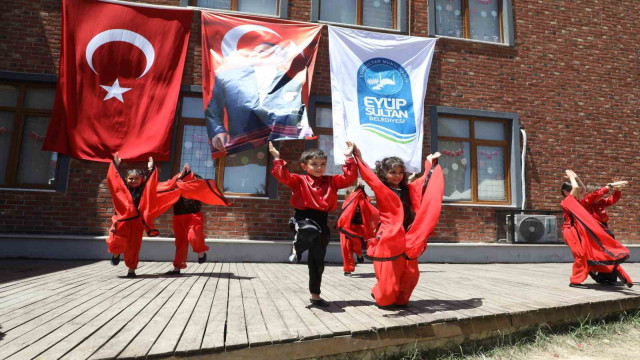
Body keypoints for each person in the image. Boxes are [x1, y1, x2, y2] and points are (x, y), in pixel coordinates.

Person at [352, 144, 444, 307]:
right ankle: (380, 293)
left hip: (407, 236)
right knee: (389, 281)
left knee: (411, 274)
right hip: (389, 236)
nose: (397, 176)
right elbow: (369, 176)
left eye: (400, 172)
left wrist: (430, 163)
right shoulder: (381, 189)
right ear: (384, 174)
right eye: (392, 172)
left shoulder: (408, 189)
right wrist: (357, 156)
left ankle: (400, 298)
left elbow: (425, 182)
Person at [269, 141, 357, 307]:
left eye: (323, 164)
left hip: (322, 221)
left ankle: (315, 295)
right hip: (302, 219)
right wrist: (277, 158)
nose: (319, 167)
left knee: (318, 262)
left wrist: (348, 157)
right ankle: (297, 247)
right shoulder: (299, 180)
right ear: (304, 166)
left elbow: (349, 178)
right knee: (310, 230)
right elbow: (282, 176)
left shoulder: (332, 181)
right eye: (314, 164)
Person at [206, 42, 310, 155]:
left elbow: (295, 114)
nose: (258, 55)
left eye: (267, 53)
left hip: (274, 146)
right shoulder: (227, 78)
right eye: (257, 52)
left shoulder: (291, 83)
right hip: (238, 144)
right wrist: (218, 131)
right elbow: (213, 109)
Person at [560, 170, 632, 287]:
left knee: (604, 253)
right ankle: (579, 278)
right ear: (567, 192)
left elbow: (582, 189)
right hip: (579, 231)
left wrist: (576, 177)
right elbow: (585, 192)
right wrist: (608, 187)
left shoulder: (586, 202)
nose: (583, 193)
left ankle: (607, 277)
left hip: (598, 230)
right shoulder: (577, 202)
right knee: (584, 255)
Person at [106, 152, 159, 278]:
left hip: (136, 222)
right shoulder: (123, 188)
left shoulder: (143, 190)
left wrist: (151, 168)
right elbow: (114, 180)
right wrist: (115, 165)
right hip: (122, 219)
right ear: (126, 179)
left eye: (136, 178)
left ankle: (131, 270)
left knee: (134, 247)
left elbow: (151, 183)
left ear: (142, 180)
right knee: (116, 239)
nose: (133, 181)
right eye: (130, 178)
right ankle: (116, 254)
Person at [165, 164, 209, 275]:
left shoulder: (197, 181)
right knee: (180, 242)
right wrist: (181, 176)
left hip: (194, 215)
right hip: (178, 216)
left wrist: (190, 176)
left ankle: (201, 252)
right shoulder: (177, 183)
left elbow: (203, 187)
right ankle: (177, 267)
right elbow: (167, 186)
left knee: (194, 235)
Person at [336, 184, 373, 276]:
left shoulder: (363, 202)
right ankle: (348, 269)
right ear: (348, 196)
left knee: (359, 244)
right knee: (346, 248)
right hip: (347, 228)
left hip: (360, 227)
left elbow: (368, 200)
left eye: (356, 194)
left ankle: (359, 254)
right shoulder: (346, 204)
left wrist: (362, 191)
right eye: (353, 194)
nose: (355, 196)